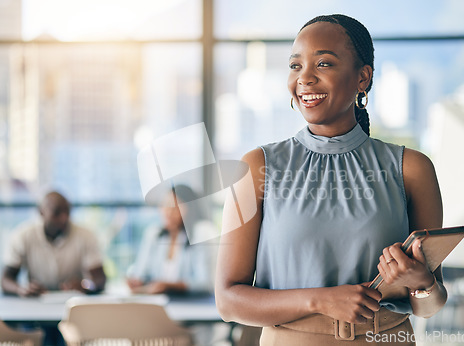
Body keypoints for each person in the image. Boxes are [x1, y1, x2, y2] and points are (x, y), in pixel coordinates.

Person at [215, 14, 447, 345]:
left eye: (323, 63)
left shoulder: (411, 168)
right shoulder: (255, 167)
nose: (304, 78)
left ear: (362, 78)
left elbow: (432, 305)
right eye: (296, 66)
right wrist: (321, 300)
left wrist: (421, 281)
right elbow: (227, 301)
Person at [1, 191, 106, 296]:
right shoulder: (23, 236)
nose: (63, 218)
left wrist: (85, 285)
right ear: (41, 212)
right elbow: (6, 280)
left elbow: (100, 279)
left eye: (67, 212)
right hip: (35, 303)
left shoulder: (86, 236)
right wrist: (21, 289)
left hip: (74, 302)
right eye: (56, 213)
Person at [126, 184, 216, 295]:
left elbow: (207, 283)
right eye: (165, 205)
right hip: (158, 302)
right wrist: (137, 281)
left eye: (175, 206)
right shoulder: (154, 234)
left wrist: (170, 286)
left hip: (192, 306)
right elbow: (141, 273)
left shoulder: (202, 231)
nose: (168, 211)